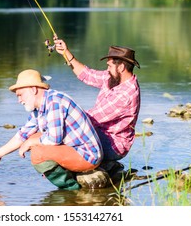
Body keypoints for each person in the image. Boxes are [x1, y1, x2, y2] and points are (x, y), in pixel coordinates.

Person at [0, 69, 103, 190]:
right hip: (74, 149)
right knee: (34, 137)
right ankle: (69, 176)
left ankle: (72, 189)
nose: (19, 100)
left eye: (20, 95)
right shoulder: (39, 108)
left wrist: (30, 143)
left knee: (38, 154)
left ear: (33, 89)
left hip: (87, 155)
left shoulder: (54, 101)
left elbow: (54, 139)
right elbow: (23, 135)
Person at [54, 37, 141, 167]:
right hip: (100, 133)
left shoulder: (126, 94)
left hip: (113, 146)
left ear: (121, 67)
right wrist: (66, 53)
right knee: (63, 133)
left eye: (110, 66)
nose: (107, 69)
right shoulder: (113, 77)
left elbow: (91, 118)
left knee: (65, 134)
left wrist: (59, 118)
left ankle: (78, 172)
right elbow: (87, 75)